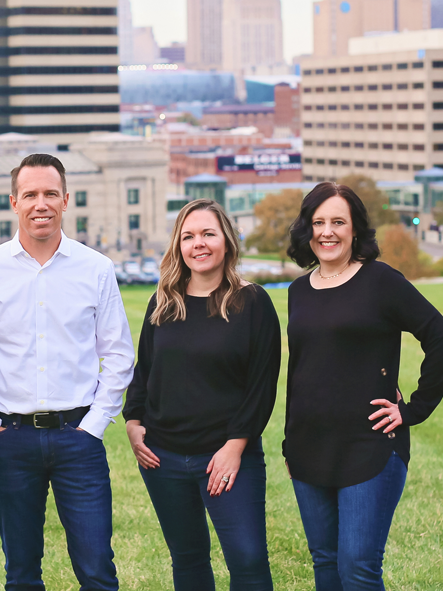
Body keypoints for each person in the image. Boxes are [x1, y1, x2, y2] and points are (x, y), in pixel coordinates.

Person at [0, 153, 135, 591]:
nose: (41, 203)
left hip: (79, 438)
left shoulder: (96, 269)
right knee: (21, 573)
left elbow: (118, 355)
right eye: (31, 194)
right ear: (14, 202)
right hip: (10, 439)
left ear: (65, 200)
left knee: (97, 569)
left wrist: (95, 425)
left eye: (50, 194)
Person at [283, 182, 443, 591]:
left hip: (370, 445)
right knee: (325, 565)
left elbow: (440, 337)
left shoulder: (380, 281)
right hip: (309, 449)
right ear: (307, 229)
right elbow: (301, 370)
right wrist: (291, 443)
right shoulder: (298, 291)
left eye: (338, 222)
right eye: (318, 222)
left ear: (355, 230)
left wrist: (413, 409)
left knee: (358, 569)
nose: (327, 231)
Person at [124, 198, 281, 591]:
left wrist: (235, 447)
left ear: (226, 240)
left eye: (209, 234)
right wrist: (132, 421)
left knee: (247, 560)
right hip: (164, 458)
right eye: (189, 236)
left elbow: (262, 386)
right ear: (178, 245)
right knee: (188, 560)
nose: (199, 244)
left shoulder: (253, 302)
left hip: (228, 457)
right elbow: (144, 370)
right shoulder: (162, 302)